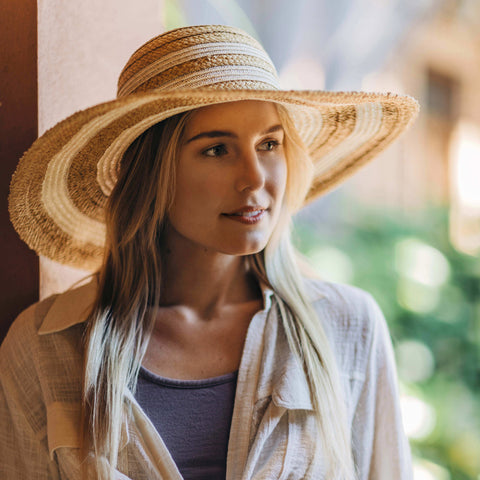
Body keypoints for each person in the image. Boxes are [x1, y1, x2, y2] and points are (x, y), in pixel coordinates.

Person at [1, 24, 418, 480]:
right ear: (150, 172)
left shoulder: (348, 328)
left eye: (269, 144)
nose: (255, 179)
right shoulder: (44, 349)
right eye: (217, 149)